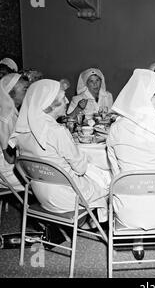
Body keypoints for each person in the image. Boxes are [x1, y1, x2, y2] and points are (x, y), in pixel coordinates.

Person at [107, 68, 155, 260]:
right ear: (152, 98)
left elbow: (115, 172)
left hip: (127, 211)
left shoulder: (115, 129)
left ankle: (137, 237)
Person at [9, 79, 110, 224]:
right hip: (67, 198)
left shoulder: (21, 131)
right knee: (108, 177)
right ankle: (101, 222)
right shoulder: (56, 131)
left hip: (42, 196)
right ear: (49, 105)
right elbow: (80, 168)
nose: (67, 100)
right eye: (63, 98)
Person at [0, 73, 28, 190]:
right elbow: (10, 158)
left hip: (9, 167)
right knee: (44, 179)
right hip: (6, 172)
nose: (28, 93)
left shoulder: (10, 111)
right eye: (25, 89)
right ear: (11, 92)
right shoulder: (6, 117)